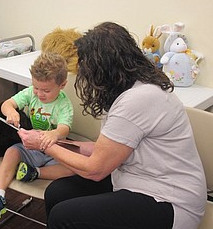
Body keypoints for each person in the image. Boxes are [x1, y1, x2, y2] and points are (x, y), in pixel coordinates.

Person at [22, 22, 207, 229]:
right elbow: (107, 148)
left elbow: (95, 170)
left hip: (170, 199)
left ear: (104, 67)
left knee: (63, 216)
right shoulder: (124, 89)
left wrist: (44, 144)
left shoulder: (140, 98)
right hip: (134, 178)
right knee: (57, 193)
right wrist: (60, 141)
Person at [0, 52, 74, 220]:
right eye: (36, 87)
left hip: (54, 150)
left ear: (62, 85)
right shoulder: (31, 93)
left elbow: (64, 128)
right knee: (11, 152)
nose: (39, 94)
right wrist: (11, 112)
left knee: (73, 168)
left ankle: (35, 172)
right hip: (31, 147)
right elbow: (8, 104)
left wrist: (54, 133)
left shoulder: (63, 103)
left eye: (46, 90)